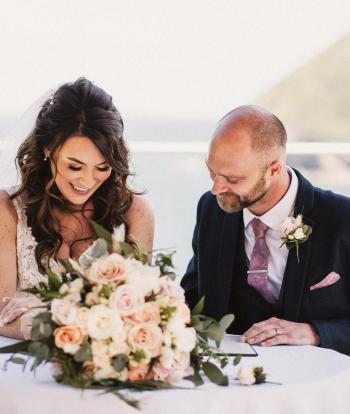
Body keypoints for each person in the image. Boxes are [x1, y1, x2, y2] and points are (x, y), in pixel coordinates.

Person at [181, 105, 350, 355]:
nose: (216, 189)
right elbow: (193, 298)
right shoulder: (211, 208)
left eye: (233, 179)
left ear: (274, 169)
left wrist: (314, 332)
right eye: (212, 172)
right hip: (231, 372)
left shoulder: (342, 219)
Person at [0, 77, 154, 339]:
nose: (87, 181)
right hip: (23, 369)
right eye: (75, 166)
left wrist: (45, 319)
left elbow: (138, 313)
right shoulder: (8, 211)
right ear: (48, 149)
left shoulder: (134, 213)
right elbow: (2, 315)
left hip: (101, 368)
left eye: (102, 168)